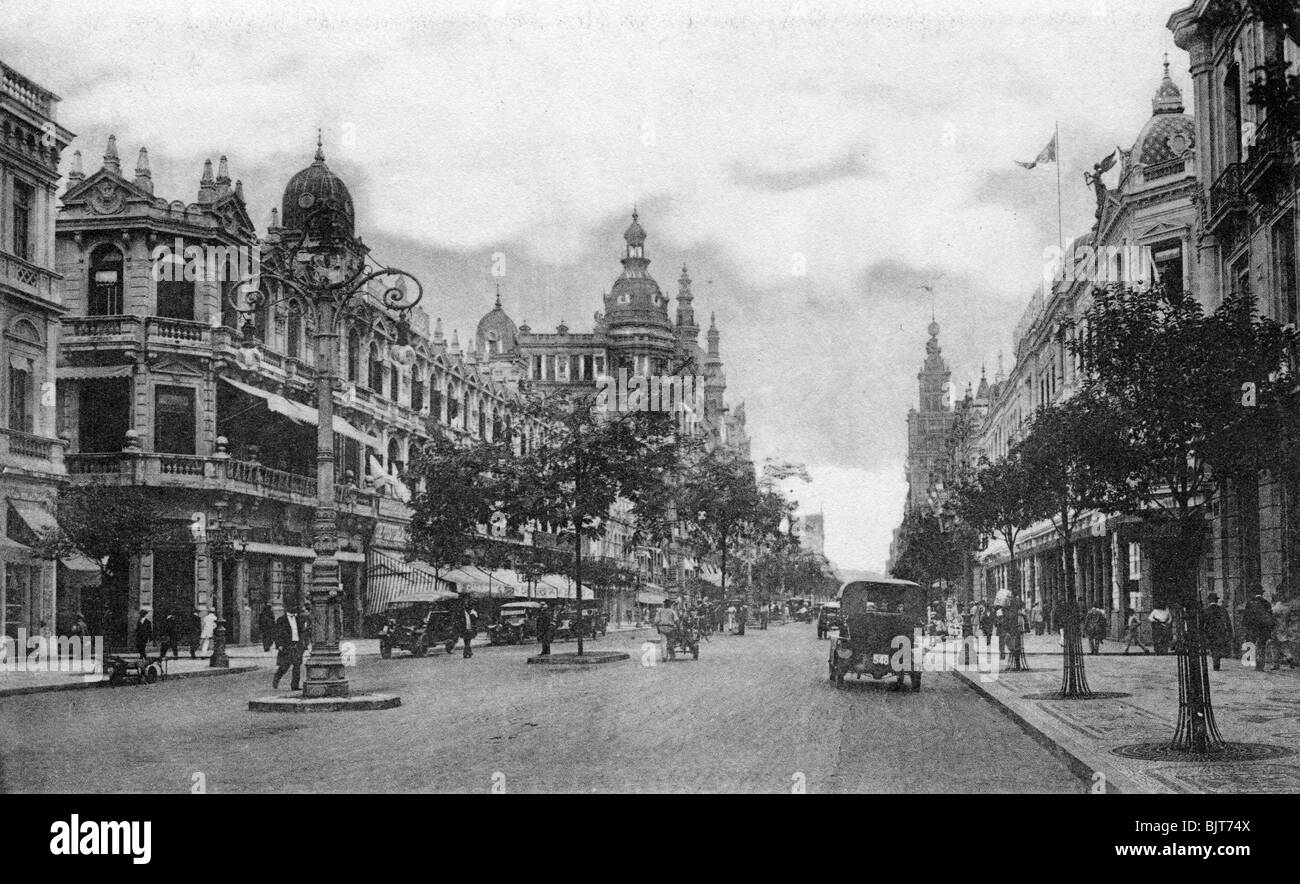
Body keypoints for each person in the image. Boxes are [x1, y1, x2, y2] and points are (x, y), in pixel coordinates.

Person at [272, 606, 306, 691]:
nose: (294, 609)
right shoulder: (281, 620)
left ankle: (295, 685)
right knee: (285, 665)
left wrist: (303, 643)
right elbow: (277, 633)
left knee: (297, 666)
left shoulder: (297, 619)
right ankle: (276, 678)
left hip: (297, 644)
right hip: (287, 645)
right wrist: (279, 645)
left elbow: (301, 632)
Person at [1242, 587, 1275, 672]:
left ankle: (1252, 662)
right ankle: (1260, 665)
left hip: (1252, 628)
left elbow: (1245, 617)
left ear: (1253, 593)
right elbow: (1271, 617)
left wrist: (1245, 627)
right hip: (1263, 629)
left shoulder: (1249, 603)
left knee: (1252, 644)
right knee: (1261, 645)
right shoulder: (1266, 603)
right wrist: (1270, 629)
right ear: (1262, 593)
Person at [1202, 593, 1234, 671]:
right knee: (1218, 647)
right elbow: (1228, 622)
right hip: (1220, 632)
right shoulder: (1222, 610)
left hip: (1210, 633)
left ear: (1209, 601)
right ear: (1216, 600)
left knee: (1214, 648)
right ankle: (1217, 661)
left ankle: (1216, 662)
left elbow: (1203, 623)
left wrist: (1203, 633)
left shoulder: (1206, 611)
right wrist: (1230, 633)